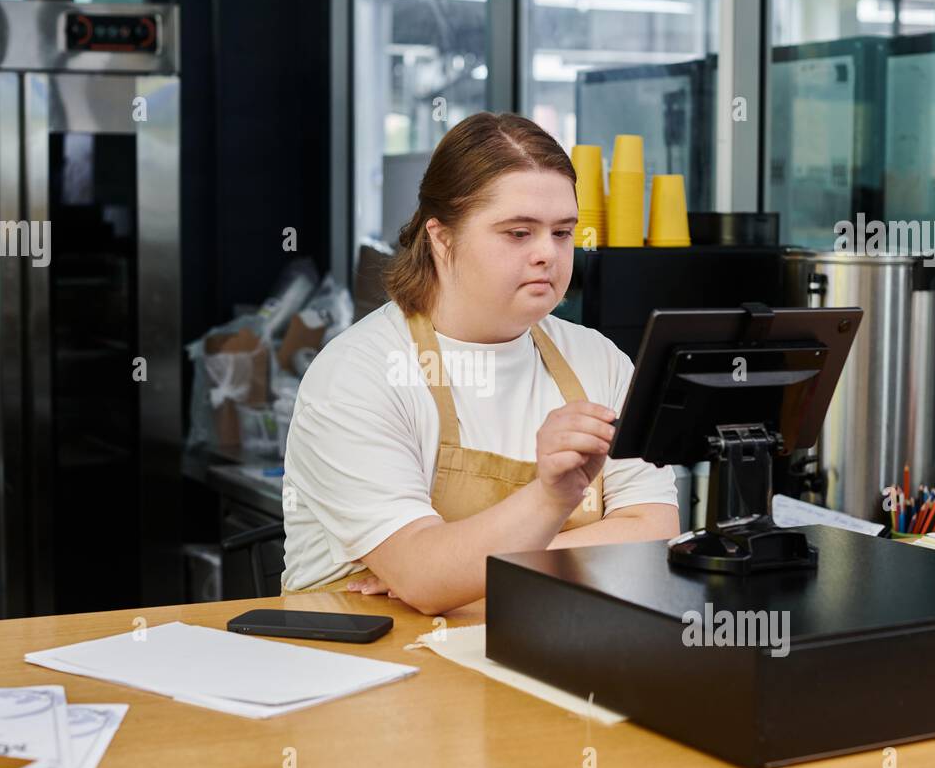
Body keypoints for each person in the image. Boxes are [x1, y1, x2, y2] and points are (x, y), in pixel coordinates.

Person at [281, 112, 680, 614]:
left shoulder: (596, 359)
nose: (547, 255)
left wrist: (471, 570)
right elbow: (426, 579)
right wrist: (552, 501)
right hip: (367, 667)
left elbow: (653, 534)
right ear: (441, 238)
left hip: (533, 646)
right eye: (518, 233)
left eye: (561, 233)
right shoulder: (360, 374)